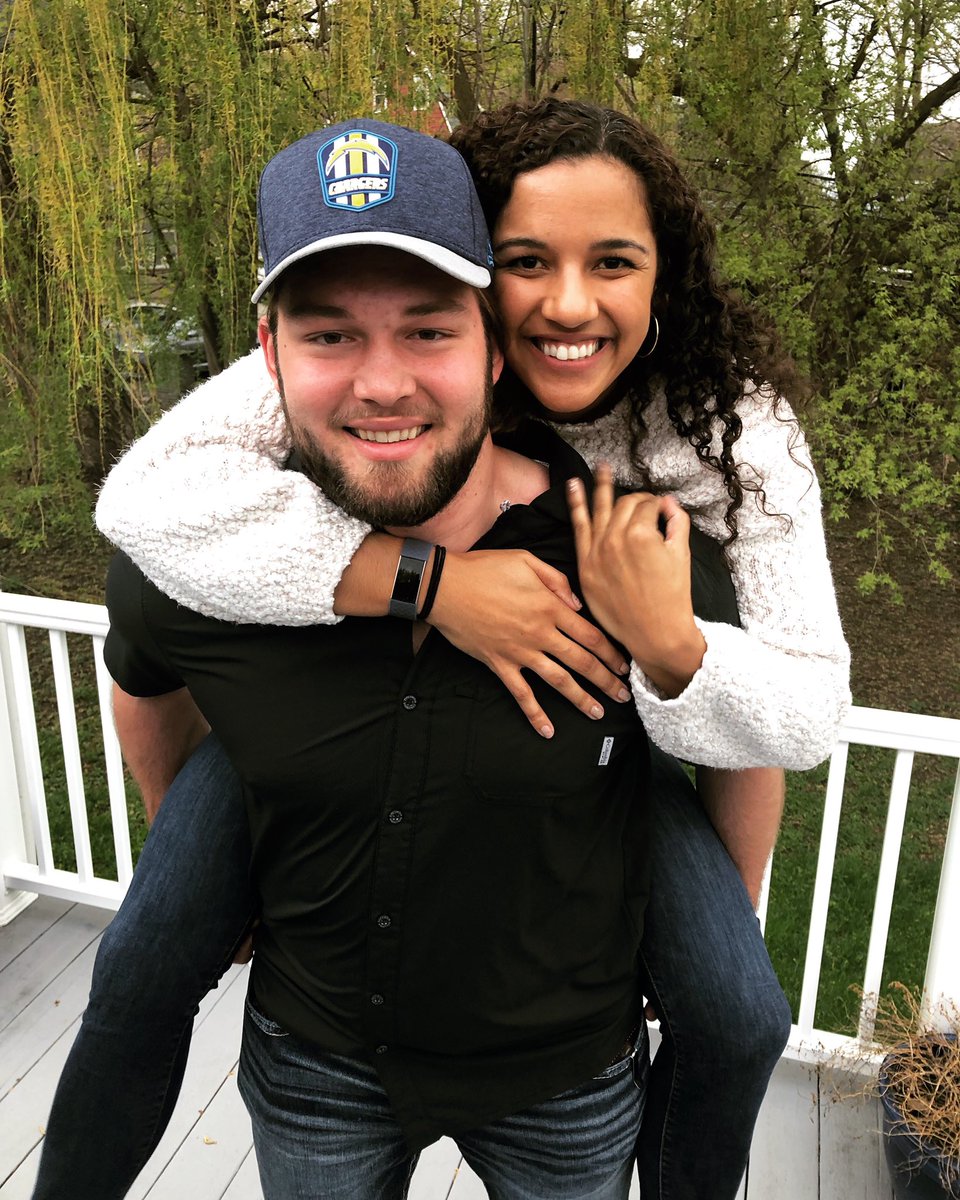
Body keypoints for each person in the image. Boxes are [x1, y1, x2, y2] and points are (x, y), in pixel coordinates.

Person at [36, 101, 849, 1199]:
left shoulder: (728, 440)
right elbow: (142, 508)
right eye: (527, 261)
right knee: (141, 963)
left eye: (613, 262)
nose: (569, 303)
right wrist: (435, 584)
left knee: (741, 1010)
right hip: (312, 901)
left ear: (665, 276)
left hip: (649, 718)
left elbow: (788, 717)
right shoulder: (318, 388)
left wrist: (671, 650)